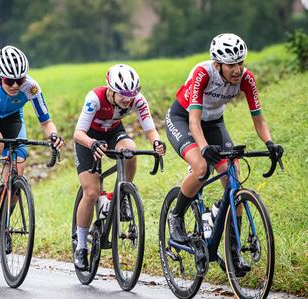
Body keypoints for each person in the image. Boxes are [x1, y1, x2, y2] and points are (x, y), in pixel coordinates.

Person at [165, 33, 284, 275]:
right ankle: (176, 217)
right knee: (200, 168)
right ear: (218, 64)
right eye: (232, 64)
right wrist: (204, 148)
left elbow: (259, 120)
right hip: (183, 119)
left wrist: (270, 142)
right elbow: (194, 121)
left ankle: (232, 255)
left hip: (214, 122)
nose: (238, 69)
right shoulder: (203, 74)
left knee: (233, 179)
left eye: (241, 62)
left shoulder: (246, 79)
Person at [72, 64, 166, 270]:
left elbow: (150, 128)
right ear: (110, 89)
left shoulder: (137, 100)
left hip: (113, 132)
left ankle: (121, 194)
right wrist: (92, 143)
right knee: (91, 191)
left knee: (130, 151)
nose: (128, 99)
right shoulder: (95, 98)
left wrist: (157, 143)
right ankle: (80, 246)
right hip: (88, 138)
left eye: (132, 93)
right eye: (123, 94)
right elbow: (78, 134)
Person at [0, 45, 64, 228]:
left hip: (12, 118)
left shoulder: (31, 87)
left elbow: (46, 122)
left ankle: (3, 225)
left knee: (18, 168)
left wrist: (54, 136)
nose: (15, 86)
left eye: (20, 80)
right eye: (9, 81)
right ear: (0, 77)